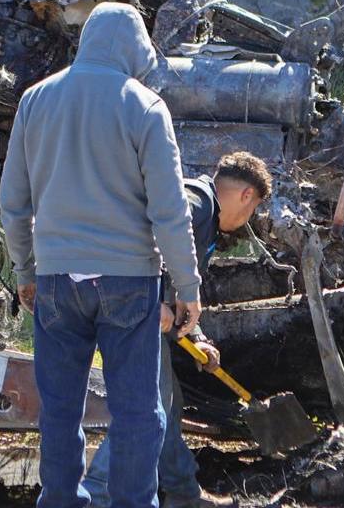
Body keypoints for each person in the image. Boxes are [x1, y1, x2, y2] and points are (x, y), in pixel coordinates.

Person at [0, 2, 203, 508]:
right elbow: (170, 210)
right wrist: (187, 286)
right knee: (137, 413)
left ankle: (60, 501)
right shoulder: (145, 107)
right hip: (128, 281)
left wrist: (25, 270)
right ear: (135, 50)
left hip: (55, 280)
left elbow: (13, 202)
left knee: (60, 409)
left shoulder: (35, 100)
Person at [84, 152, 273, 508]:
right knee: (144, 409)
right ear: (246, 195)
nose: (247, 219)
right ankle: (96, 495)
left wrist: (197, 337)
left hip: (138, 311)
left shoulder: (206, 218)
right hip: (132, 309)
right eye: (252, 210)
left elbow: (178, 286)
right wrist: (151, 299)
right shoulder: (196, 201)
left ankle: (183, 493)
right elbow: (143, 232)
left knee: (167, 407)